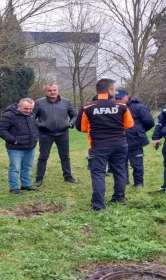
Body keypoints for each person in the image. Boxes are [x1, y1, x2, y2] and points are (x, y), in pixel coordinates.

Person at [76, 78, 134, 210]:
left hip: (98, 145)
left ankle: (98, 204)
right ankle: (119, 198)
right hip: (120, 144)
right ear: (109, 90)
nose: (115, 91)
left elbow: (81, 128)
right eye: (114, 89)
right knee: (120, 171)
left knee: (98, 174)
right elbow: (129, 125)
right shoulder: (122, 107)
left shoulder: (88, 107)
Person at [33, 83, 79, 187]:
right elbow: (32, 117)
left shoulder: (66, 102)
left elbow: (74, 115)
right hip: (45, 134)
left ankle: (68, 176)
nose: (53, 92)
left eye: (54, 90)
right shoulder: (39, 103)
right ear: (45, 92)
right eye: (50, 90)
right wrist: (40, 125)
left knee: (65, 156)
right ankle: (39, 179)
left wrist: (70, 124)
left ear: (58, 90)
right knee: (43, 156)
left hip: (63, 133)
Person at [0, 98, 40, 194]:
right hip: (15, 148)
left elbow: (34, 127)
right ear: (19, 106)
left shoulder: (32, 115)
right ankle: (14, 187)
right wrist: (13, 140)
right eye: (26, 108)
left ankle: (26, 184)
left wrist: (36, 136)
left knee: (27, 167)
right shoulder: (9, 115)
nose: (28, 111)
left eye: (31, 109)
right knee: (15, 168)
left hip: (30, 147)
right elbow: (1, 130)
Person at [112, 89, 155, 188]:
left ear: (127, 97)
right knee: (121, 163)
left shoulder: (139, 108)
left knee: (137, 164)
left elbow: (149, 122)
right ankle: (123, 181)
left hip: (135, 140)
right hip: (119, 140)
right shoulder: (113, 108)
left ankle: (138, 183)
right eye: (116, 98)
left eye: (120, 98)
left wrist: (138, 131)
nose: (118, 100)